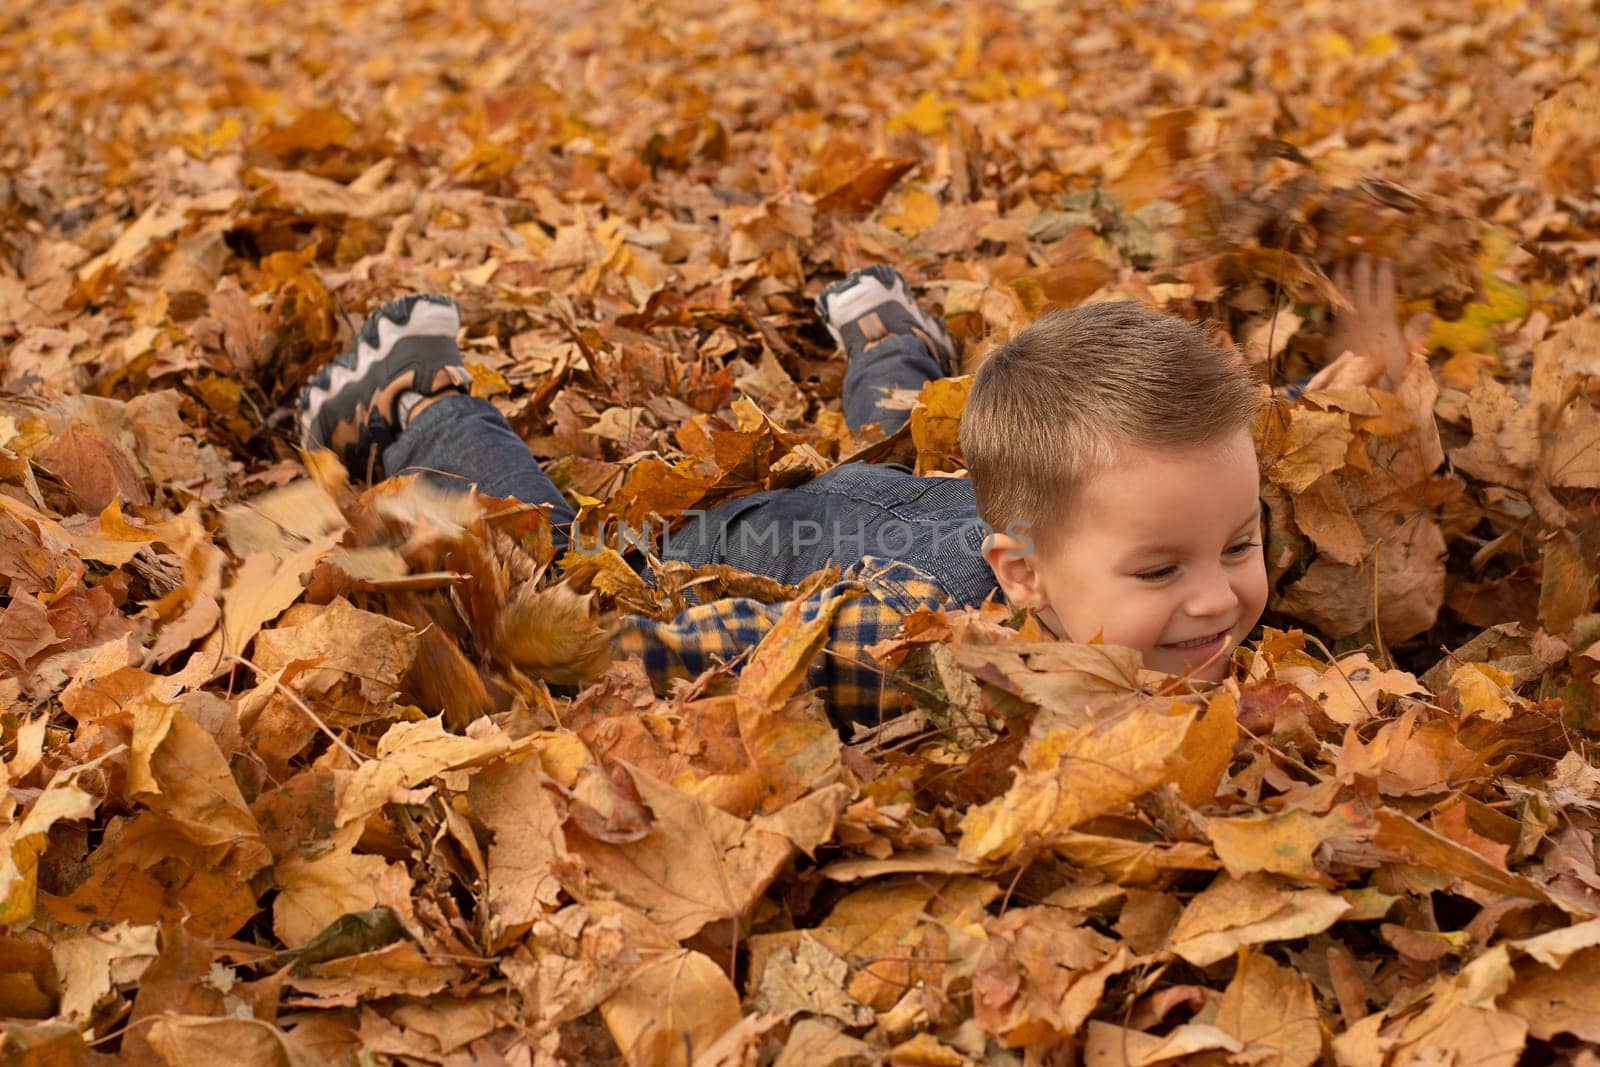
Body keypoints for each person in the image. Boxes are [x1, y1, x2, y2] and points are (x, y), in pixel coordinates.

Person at [297, 260, 1401, 728]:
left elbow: (1223, 451)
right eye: (1161, 571)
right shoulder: (926, 649)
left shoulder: (1155, 510)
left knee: (908, 453)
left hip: (928, 493)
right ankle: (429, 408)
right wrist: (573, 661)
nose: (1216, 599)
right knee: (608, 557)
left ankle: (888, 338)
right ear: (1020, 577)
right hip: (797, 542)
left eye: (1238, 543)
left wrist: (1348, 387)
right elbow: (722, 642)